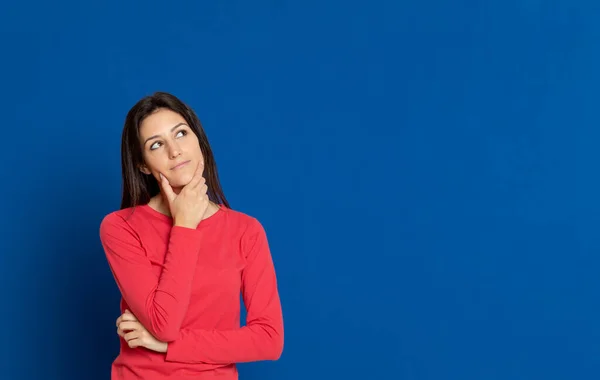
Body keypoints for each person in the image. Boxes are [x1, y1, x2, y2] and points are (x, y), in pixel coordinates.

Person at [98, 91, 284, 380]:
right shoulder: (121, 227)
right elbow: (164, 323)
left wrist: (167, 346)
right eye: (157, 144)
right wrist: (185, 225)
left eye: (181, 134)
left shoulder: (245, 231)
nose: (175, 151)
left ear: (199, 140)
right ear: (143, 164)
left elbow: (269, 340)